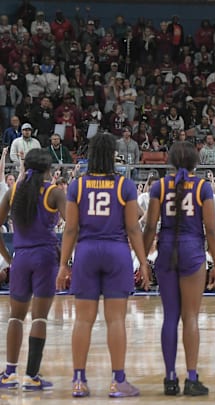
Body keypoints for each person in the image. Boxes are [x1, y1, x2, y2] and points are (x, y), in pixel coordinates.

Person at [56, 133, 150, 398]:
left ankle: (79, 381)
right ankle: (118, 381)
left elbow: (71, 228)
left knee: (83, 321)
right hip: (116, 251)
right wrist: (143, 262)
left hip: (86, 251)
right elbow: (133, 227)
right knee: (116, 319)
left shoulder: (77, 185)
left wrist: (63, 264)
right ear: (112, 155)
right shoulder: (125, 185)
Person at [142, 141, 215, 396]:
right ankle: (192, 378)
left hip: (165, 249)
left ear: (172, 161)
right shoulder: (203, 187)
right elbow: (210, 229)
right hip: (192, 250)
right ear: (195, 162)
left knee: (170, 317)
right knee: (191, 318)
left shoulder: (159, 186)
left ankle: (170, 378)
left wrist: (143, 259)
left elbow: (150, 227)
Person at [0, 149, 65, 391]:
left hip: (21, 257)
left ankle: (9, 373)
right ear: (48, 170)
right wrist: (66, 260)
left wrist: (8, 258)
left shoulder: (14, 190)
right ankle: (31, 376)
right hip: (45, 256)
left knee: (15, 317)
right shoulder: (54, 192)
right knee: (39, 317)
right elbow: (72, 228)